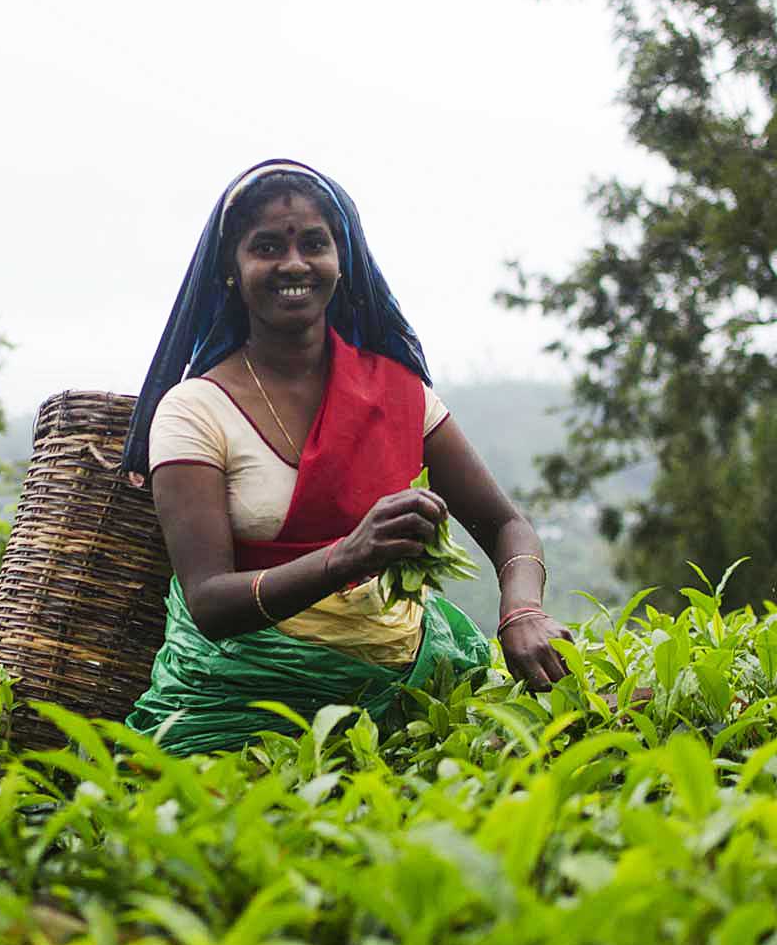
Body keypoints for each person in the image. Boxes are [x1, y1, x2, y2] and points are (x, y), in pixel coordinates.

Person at [122, 159, 571, 755]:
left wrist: (521, 612)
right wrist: (349, 556)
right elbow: (209, 602)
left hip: (409, 692)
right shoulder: (194, 411)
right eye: (266, 247)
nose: (294, 264)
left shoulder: (400, 393)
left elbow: (506, 525)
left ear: (342, 261)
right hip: (238, 704)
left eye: (314, 243)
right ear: (231, 268)